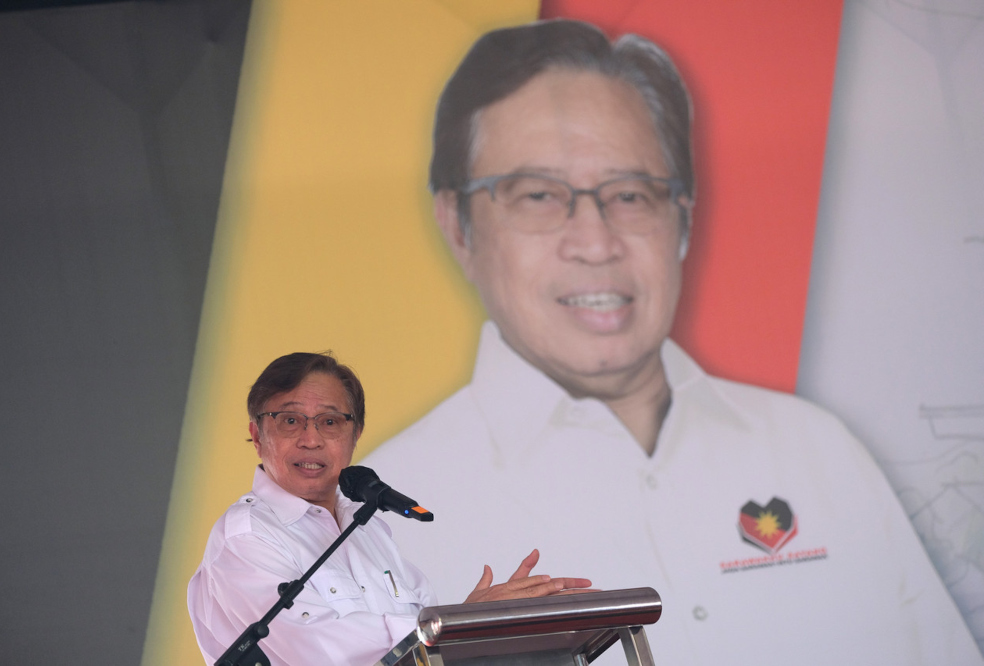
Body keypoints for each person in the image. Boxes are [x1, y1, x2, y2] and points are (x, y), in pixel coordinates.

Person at [362, 19, 983, 666]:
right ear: (457, 226)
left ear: (683, 220)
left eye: (631, 195)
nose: (596, 243)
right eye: (539, 196)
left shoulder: (817, 451)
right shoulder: (379, 522)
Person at [188, 352, 590, 666]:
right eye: (290, 420)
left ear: (355, 434)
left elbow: (422, 648)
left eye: (330, 422)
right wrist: (454, 622)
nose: (310, 439)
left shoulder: (368, 530)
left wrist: (475, 626)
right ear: (257, 435)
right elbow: (314, 648)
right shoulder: (246, 535)